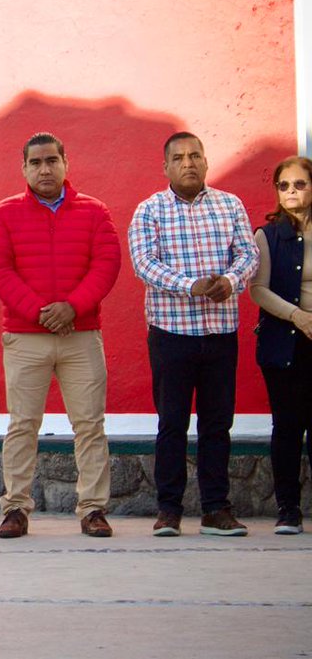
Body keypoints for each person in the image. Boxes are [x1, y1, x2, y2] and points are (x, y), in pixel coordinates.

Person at [0, 133, 121, 538]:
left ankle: (93, 509)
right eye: (36, 162)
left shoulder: (95, 212)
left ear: (65, 163)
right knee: (23, 423)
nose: (44, 169)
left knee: (89, 425)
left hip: (81, 334)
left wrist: (72, 307)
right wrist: (40, 312)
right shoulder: (4, 214)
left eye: (51, 161)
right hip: (26, 336)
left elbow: (106, 265)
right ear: (24, 168)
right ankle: (16, 509)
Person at [129, 131, 259, 537]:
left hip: (220, 333)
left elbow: (249, 254)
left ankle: (216, 509)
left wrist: (232, 279)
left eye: (195, 155)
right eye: (179, 157)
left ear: (206, 162)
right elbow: (143, 263)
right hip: (171, 334)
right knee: (172, 422)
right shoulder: (150, 210)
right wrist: (191, 285)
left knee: (217, 424)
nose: (188, 162)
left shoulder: (229, 205)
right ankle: (169, 510)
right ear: (165, 166)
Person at [248, 155, 312, 535]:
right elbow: (258, 290)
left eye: (299, 184)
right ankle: (288, 509)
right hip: (286, 343)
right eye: (284, 185)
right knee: (287, 427)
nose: (291, 191)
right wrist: (299, 317)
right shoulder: (268, 235)